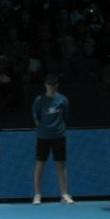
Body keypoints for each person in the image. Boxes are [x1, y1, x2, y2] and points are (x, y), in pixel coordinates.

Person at [32, 74, 73, 204]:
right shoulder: (39, 100)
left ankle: (64, 194)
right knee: (40, 165)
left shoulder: (63, 100)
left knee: (61, 165)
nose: (52, 87)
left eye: (54, 85)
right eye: (49, 85)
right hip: (43, 137)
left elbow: (65, 116)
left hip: (59, 136)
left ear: (57, 85)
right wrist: (44, 129)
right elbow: (36, 118)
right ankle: (37, 194)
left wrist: (57, 128)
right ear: (45, 85)